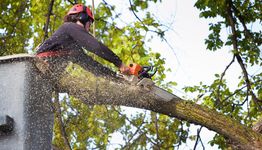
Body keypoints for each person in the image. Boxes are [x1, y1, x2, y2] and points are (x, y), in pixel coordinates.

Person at [36, 4, 130, 79]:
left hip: (42, 77)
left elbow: (92, 66)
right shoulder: (69, 27)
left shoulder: (71, 47)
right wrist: (119, 63)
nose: (89, 28)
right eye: (89, 23)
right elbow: (96, 47)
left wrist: (116, 77)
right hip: (37, 67)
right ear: (82, 17)